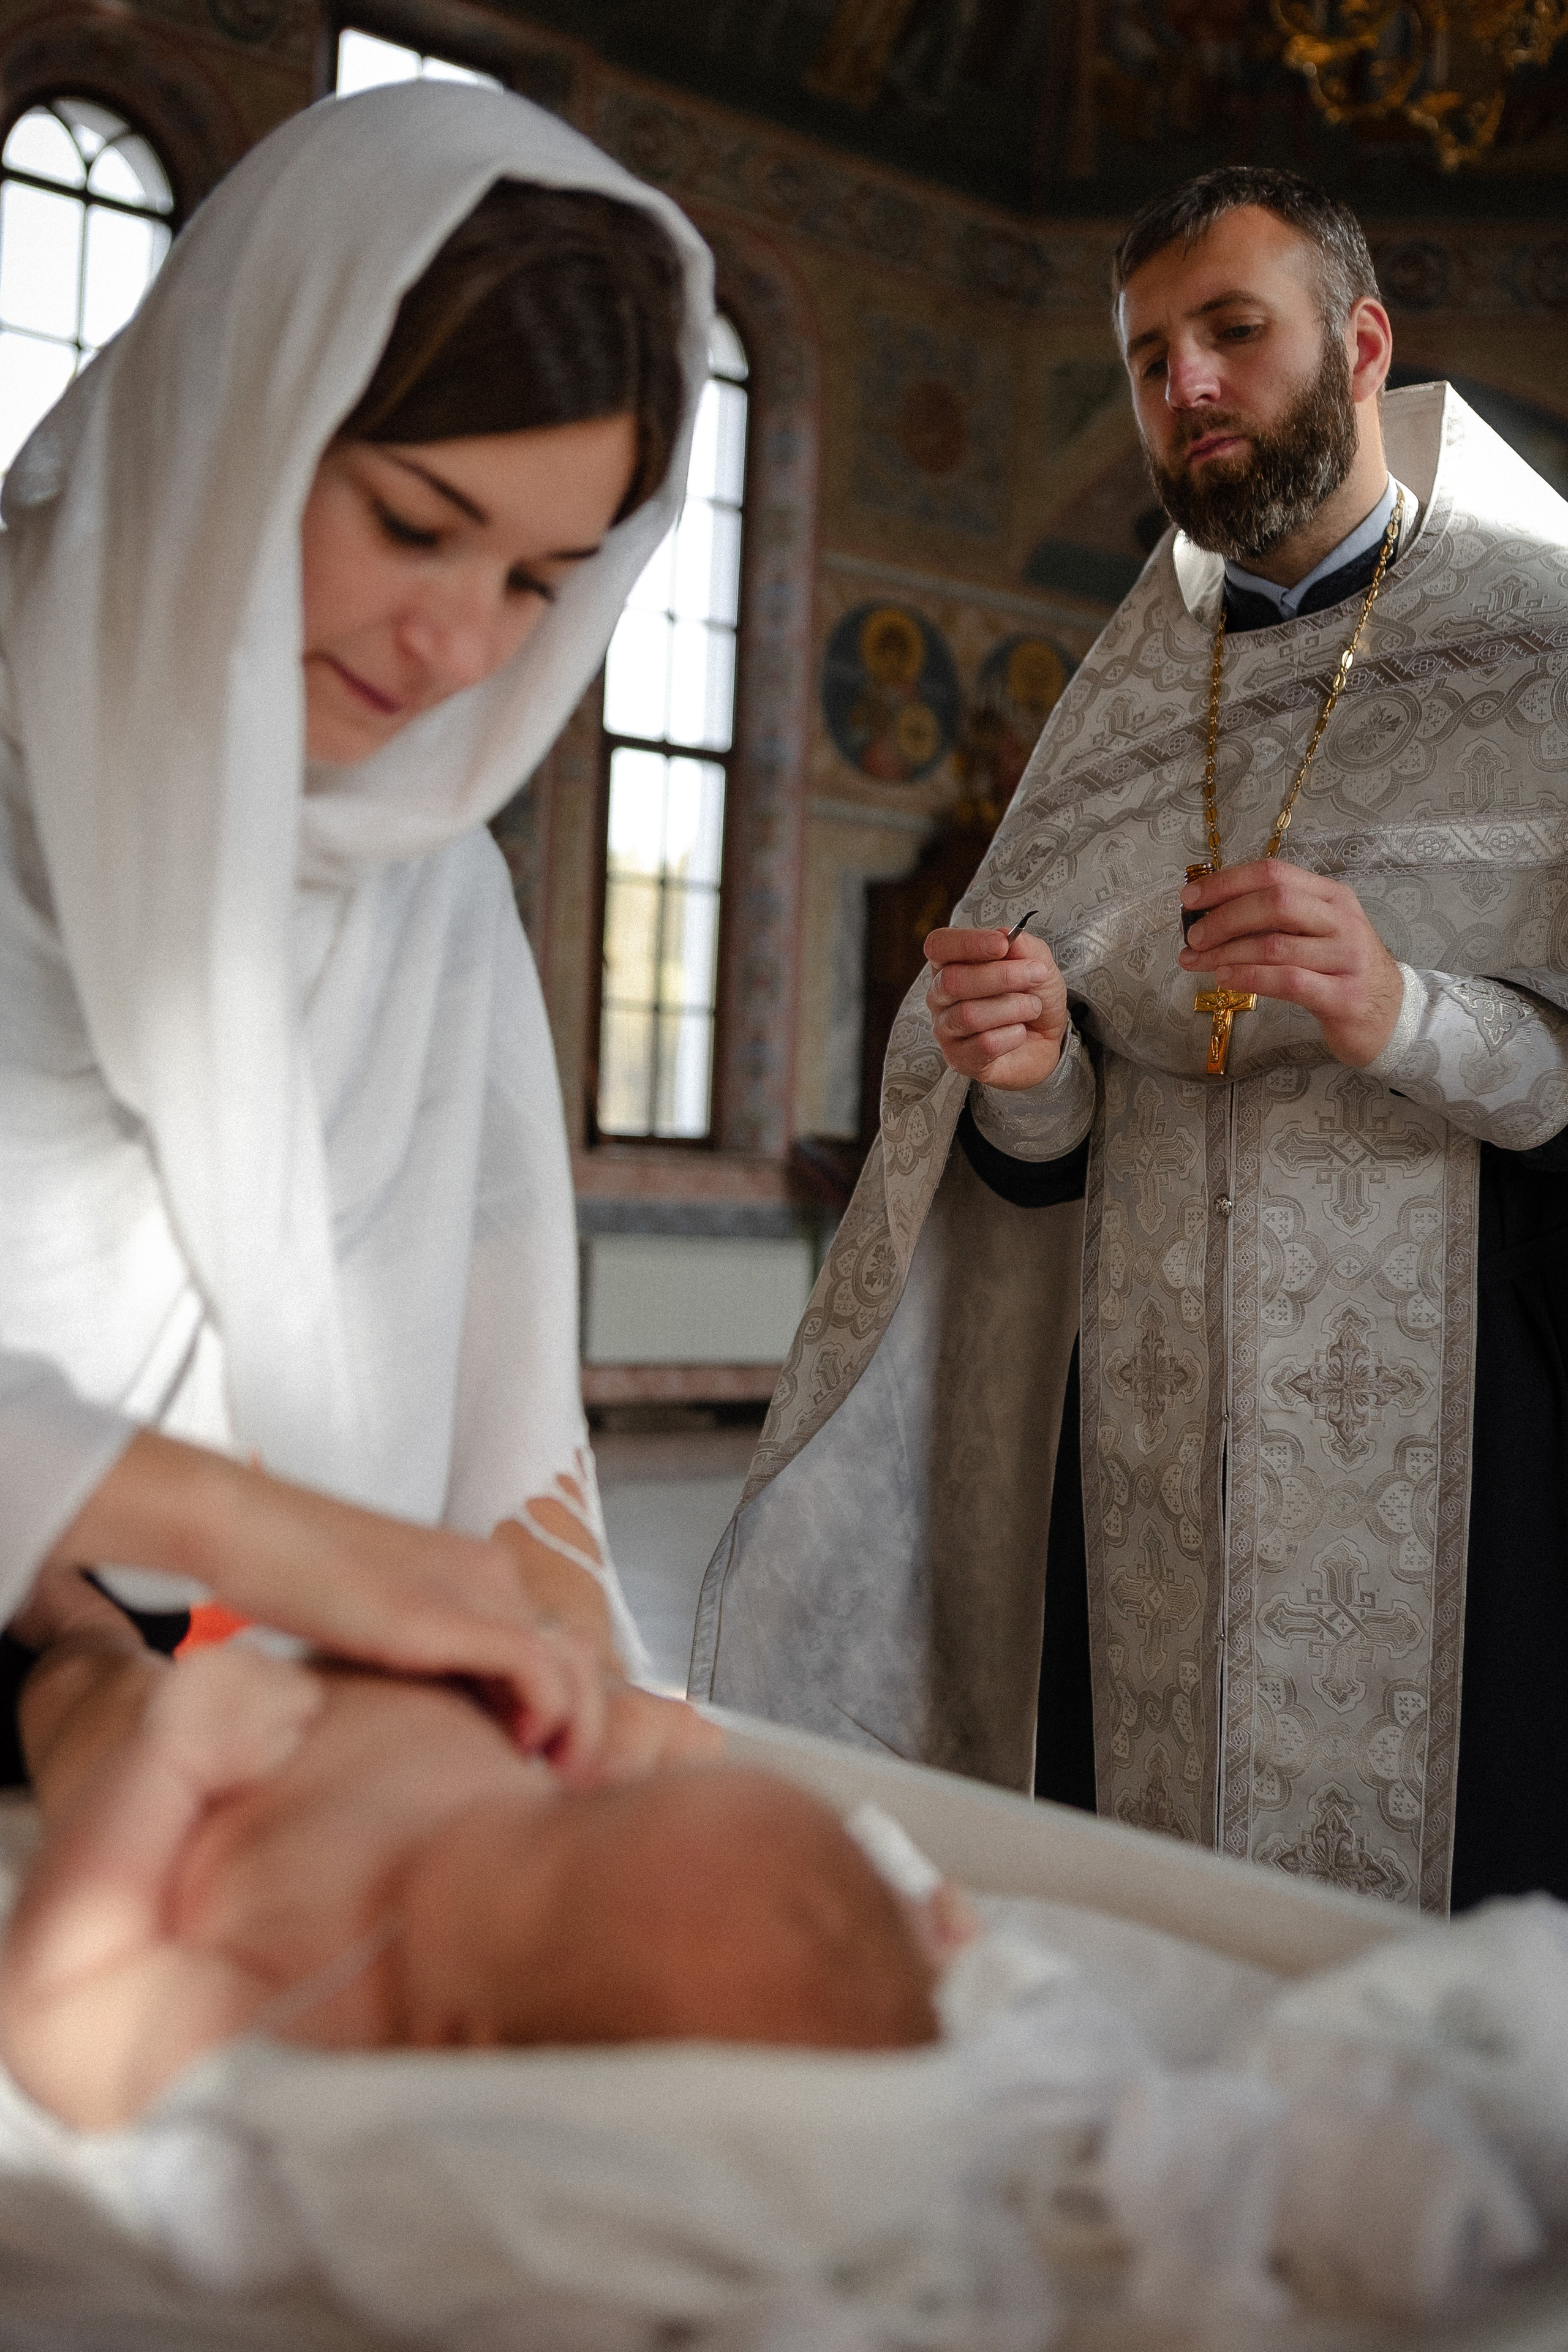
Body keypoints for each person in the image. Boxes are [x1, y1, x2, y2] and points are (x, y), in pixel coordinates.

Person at [692, 166, 1568, 1918]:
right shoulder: (1123, 696)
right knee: (1150, 1913)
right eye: (1151, 353)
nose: (1188, 385)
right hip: (1143, 1448)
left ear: (1362, 342)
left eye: (1234, 331)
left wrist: (1401, 1010)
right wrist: (1026, 1078)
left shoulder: (1543, 641)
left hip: (1461, 1451)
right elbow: (1038, 1148)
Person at [0, 83, 715, 1766]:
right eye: (413, 526)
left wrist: (585, 1720)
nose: (461, 649)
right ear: (236, 413)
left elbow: (502, 1454)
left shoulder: (428, 879)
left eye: (538, 582)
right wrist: (127, 1628)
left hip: (269, 1702)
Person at [0, 1567, 940, 2130]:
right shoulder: (549, 1908)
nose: (546, 1801)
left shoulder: (304, 2009)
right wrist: (898, 1918)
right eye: (584, 1809)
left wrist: (171, 1761)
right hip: (359, 1653)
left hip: (155, 1726)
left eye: (564, 1827)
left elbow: (57, 2006)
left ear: (460, 2046)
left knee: (85, 1687)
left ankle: (76, 1624)